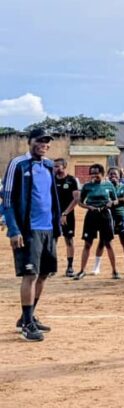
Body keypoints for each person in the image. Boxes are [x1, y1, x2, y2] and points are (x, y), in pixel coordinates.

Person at [4, 128, 62, 341]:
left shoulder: (48, 165)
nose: (44, 144)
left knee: (44, 274)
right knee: (30, 275)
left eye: (47, 141)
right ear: (30, 141)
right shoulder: (18, 164)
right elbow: (7, 200)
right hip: (28, 230)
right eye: (40, 140)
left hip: (47, 230)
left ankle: (27, 316)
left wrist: (57, 227)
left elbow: (51, 197)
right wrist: (14, 229)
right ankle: (27, 325)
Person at [74, 164, 118, 280]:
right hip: (91, 215)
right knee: (87, 243)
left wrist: (111, 203)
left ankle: (114, 271)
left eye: (96, 173)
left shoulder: (109, 185)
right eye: (92, 173)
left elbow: (115, 199)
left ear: (102, 174)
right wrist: (89, 207)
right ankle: (82, 270)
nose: (94, 176)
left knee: (108, 243)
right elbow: (80, 202)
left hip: (105, 215)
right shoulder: (87, 186)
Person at [92, 167, 124, 276]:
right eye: (111, 174)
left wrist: (113, 202)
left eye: (115, 174)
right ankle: (96, 267)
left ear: (120, 176)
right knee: (103, 241)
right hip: (107, 216)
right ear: (107, 176)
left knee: (123, 241)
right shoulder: (104, 186)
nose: (113, 176)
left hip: (120, 215)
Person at [53, 158, 80, 277]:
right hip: (53, 215)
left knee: (68, 240)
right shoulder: (51, 180)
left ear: (64, 166)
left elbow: (76, 199)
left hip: (67, 216)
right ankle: (51, 267)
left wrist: (65, 214)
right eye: (54, 166)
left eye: (57, 166)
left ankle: (70, 266)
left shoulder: (71, 180)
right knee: (52, 241)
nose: (55, 168)